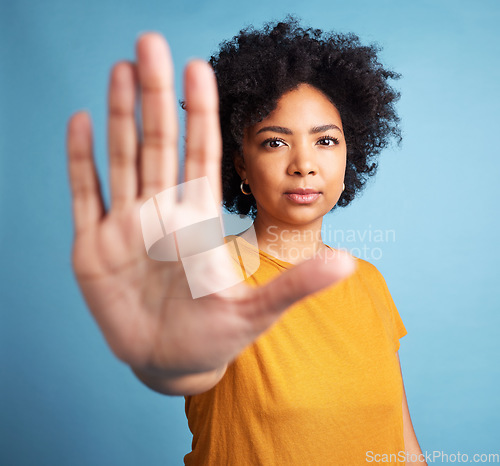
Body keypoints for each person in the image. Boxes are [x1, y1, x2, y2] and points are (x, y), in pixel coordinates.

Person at [66, 17, 426, 465]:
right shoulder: (208, 267)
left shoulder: (368, 281)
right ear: (240, 164)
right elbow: (187, 358)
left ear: (350, 152)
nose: (304, 164)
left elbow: (404, 447)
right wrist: (168, 357)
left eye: (326, 141)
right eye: (275, 143)